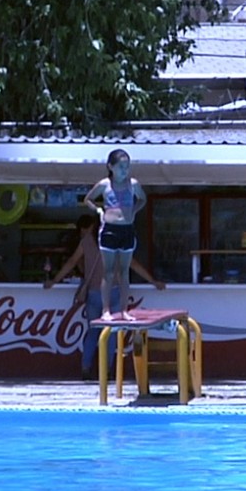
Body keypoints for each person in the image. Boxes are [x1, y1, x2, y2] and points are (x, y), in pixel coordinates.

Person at [44, 214, 165, 380]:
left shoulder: (86, 241)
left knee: (93, 332)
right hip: (114, 292)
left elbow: (72, 262)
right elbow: (133, 264)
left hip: (93, 293)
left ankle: (86, 368)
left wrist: (54, 280)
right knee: (111, 334)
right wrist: (153, 281)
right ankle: (106, 371)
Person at [84, 149, 147, 321]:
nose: (124, 170)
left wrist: (134, 210)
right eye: (121, 166)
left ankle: (124, 310)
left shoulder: (133, 184)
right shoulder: (105, 184)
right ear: (110, 166)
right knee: (109, 272)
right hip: (109, 230)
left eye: (127, 166)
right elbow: (88, 199)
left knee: (124, 272)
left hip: (127, 230)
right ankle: (106, 310)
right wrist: (98, 210)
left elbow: (143, 199)